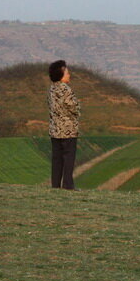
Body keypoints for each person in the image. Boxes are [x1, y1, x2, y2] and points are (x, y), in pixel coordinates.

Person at [47, 60, 81, 189]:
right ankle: (68, 184)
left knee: (57, 159)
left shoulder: (51, 89)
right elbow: (73, 107)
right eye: (66, 72)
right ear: (60, 74)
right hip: (68, 130)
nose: (69, 74)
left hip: (55, 129)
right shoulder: (65, 89)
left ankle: (55, 184)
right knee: (68, 158)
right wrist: (78, 108)